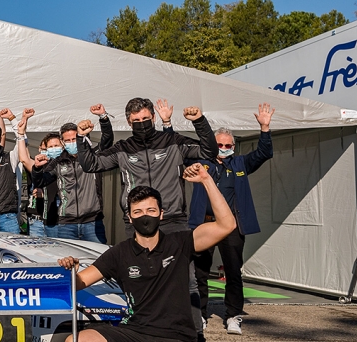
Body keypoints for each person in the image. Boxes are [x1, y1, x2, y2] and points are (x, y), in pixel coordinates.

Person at [77, 98, 217, 339]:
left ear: (153, 118)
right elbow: (91, 164)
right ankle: (142, 328)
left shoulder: (172, 141)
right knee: (136, 279)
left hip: (172, 220)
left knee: (187, 280)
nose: (141, 124)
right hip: (136, 222)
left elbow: (208, 151)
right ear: (129, 122)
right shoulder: (123, 148)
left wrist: (199, 122)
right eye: (136, 121)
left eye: (145, 119)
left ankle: (195, 333)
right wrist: (82, 137)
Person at [57, 164, 236, 342]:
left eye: (151, 210)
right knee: (77, 339)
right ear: (129, 217)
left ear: (161, 214)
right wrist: (70, 269)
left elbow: (227, 225)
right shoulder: (119, 252)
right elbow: (78, 283)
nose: (145, 216)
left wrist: (206, 180)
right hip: (134, 331)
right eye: (138, 212)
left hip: (177, 336)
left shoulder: (181, 242)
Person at [188, 104, 275, 336]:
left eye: (228, 145)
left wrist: (264, 128)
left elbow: (264, 153)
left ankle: (233, 315)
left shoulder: (240, 164)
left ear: (233, 147)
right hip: (204, 223)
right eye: (220, 145)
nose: (224, 148)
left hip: (232, 227)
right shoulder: (200, 163)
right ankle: (201, 315)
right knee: (199, 273)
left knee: (234, 272)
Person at [18, 106, 112, 244]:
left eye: (74, 139)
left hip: (92, 221)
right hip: (67, 222)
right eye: (67, 141)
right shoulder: (58, 162)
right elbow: (41, 181)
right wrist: (37, 168)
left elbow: (107, 141)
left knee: (97, 259)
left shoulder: (92, 156)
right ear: (62, 142)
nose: (71, 143)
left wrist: (103, 117)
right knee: (66, 261)